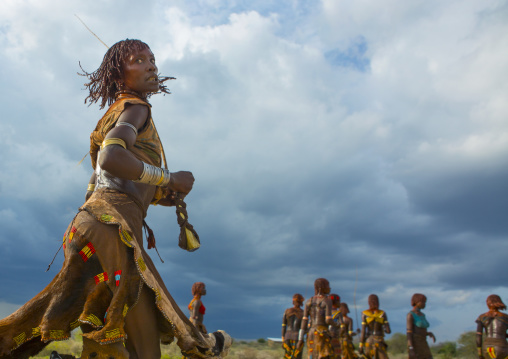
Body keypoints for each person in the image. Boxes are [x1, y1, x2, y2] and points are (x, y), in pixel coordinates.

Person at [0, 39, 230, 359]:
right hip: (112, 227)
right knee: (144, 346)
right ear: (120, 75)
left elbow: (104, 179)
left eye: (152, 59)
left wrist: (166, 192)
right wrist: (170, 177)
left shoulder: (109, 117)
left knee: (103, 325)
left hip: (91, 226)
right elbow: (111, 158)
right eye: (139, 60)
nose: (151, 65)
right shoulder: (136, 108)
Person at [297, 278, 335, 359]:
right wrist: (336, 325)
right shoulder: (327, 300)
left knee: (312, 356)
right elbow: (328, 320)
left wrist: (300, 339)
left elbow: (304, 321)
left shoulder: (308, 301)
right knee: (324, 355)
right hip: (322, 333)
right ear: (321, 287)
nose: (329, 288)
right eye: (327, 285)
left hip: (311, 333)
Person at [476, 294, 508, 359]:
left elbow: (478, 337)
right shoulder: (506, 317)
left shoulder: (482, 317)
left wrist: (480, 354)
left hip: (488, 349)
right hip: (503, 348)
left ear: (488, 303)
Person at [359, 294, 391, 359]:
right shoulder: (382, 314)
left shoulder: (364, 314)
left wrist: (361, 346)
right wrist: (384, 328)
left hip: (369, 341)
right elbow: (388, 331)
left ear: (369, 303)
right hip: (379, 340)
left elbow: (363, 332)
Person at [406, 293, 435, 359]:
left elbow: (420, 329)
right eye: (422, 302)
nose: (424, 304)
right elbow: (409, 333)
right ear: (416, 302)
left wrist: (428, 333)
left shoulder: (422, 315)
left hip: (423, 342)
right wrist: (410, 348)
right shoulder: (410, 315)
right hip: (416, 343)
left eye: (425, 302)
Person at [282, 294, 305, 359]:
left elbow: (283, 326)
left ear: (293, 301)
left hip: (287, 337)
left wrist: (283, 340)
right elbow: (303, 328)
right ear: (301, 302)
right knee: (297, 357)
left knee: (287, 357)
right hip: (297, 338)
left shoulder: (287, 311)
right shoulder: (303, 313)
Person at [329, 294, 343, 359]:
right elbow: (342, 326)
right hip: (334, 336)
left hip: (324, 336)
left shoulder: (323, 312)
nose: (339, 303)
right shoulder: (339, 313)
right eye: (339, 301)